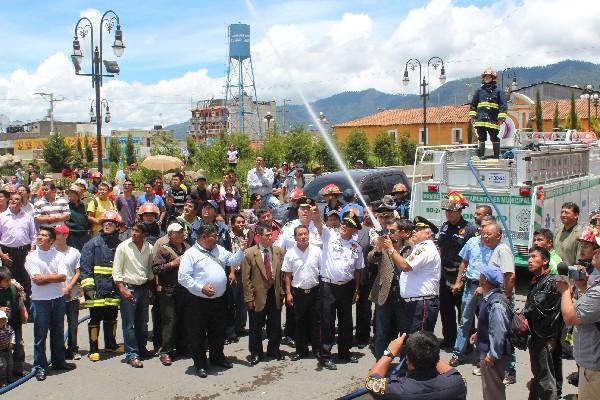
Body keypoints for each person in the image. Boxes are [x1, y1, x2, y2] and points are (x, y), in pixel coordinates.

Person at [178, 223, 245, 378]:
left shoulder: (219, 249)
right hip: (198, 301)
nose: (217, 239)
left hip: (218, 300)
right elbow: (183, 277)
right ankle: (200, 364)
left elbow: (233, 261)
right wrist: (200, 288)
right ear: (203, 237)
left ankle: (217, 357)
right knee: (198, 333)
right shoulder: (191, 254)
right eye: (214, 236)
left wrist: (241, 250)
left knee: (218, 331)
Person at [313, 209, 364, 370]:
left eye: (348, 225)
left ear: (354, 229)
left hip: (347, 287)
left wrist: (356, 289)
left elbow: (357, 270)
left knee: (346, 322)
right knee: (327, 322)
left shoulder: (357, 247)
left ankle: (344, 352)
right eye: (343, 222)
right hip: (328, 286)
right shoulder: (330, 236)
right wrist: (315, 213)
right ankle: (325, 355)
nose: (343, 225)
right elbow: (319, 224)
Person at [25, 226, 75, 381]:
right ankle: (40, 366)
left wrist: (46, 278)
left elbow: (62, 277)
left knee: (58, 332)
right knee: (40, 336)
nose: (39, 237)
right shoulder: (32, 257)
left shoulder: (58, 255)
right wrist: (53, 277)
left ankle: (58, 361)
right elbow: (37, 281)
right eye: (39, 235)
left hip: (58, 298)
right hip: (40, 302)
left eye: (44, 235)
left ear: (52, 240)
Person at [556, 236, 600, 400]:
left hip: (595, 369)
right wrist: (582, 287)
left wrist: (565, 290)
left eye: (598, 249)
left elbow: (570, 318)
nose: (595, 251)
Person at [449, 216, 496, 367]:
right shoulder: (471, 242)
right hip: (470, 285)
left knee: (485, 322)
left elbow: (496, 269)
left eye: (488, 228)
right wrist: (458, 281)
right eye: (483, 227)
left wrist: (483, 286)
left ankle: (482, 355)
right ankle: (458, 354)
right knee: (465, 321)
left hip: (487, 288)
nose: (484, 231)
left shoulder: (496, 246)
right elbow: (464, 262)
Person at [364, 332, 467, 399]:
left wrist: (390, 353)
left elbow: (370, 381)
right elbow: (451, 371)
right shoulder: (457, 383)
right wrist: (427, 348)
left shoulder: (396, 390)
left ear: (408, 360)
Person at [79, 211, 122, 362]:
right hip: (96, 288)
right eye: (105, 223)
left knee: (112, 317)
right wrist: (89, 287)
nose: (107, 226)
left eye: (111, 223)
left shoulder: (119, 244)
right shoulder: (92, 244)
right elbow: (85, 268)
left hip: (112, 289)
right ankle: (94, 349)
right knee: (95, 319)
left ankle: (111, 344)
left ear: (117, 226)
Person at [368, 218, 414, 359]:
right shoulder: (383, 245)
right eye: (388, 231)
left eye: (393, 231)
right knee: (382, 330)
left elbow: (407, 266)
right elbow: (371, 259)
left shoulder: (411, 248)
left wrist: (392, 250)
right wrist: (378, 248)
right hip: (385, 291)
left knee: (404, 331)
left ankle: (404, 363)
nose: (390, 234)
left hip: (404, 293)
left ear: (402, 233)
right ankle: (380, 361)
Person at [437, 192, 477, 348]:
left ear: (459, 210)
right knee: (446, 310)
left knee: (464, 313)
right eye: (446, 211)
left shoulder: (469, 230)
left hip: (461, 276)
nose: (447, 213)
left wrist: (461, 280)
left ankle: (465, 344)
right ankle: (449, 339)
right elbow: (440, 247)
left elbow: (472, 257)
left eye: (451, 211)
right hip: (444, 274)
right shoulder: (445, 226)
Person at [241, 224, 284, 365]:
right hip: (257, 296)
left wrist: (282, 293)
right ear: (258, 237)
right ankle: (255, 352)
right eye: (267, 235)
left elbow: (281, 275)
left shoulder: (278, 251)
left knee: (275, 325)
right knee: (255, 327)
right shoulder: (249, 253)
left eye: (271, 234)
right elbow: (245, 279)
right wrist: (249, 298)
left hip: (274, 294)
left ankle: (274, 349)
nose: (270, 237)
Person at [113, 222, 154, 368]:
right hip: (128, 288)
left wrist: (151, 287)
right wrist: (122, 289)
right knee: (129, 324)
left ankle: (141, 348)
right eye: (133, 230)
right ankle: (132, 354)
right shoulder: (123, 247)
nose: (133, 233)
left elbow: (149, 269)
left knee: (142, 323)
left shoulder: (149, 247)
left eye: (137, 231)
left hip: (143, 288)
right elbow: (116, 270)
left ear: (144, 234)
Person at [524, 246, 563, 400]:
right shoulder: (537, 280)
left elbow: (544, 311)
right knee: (539, 374)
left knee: (546, 380)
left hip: (543, 336)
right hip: (535, 335)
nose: (530, 260)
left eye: (534, 257)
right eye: (529, 257)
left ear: (545, 261)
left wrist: (551, 339)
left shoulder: (551, 282)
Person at [392, 216, 441, 335]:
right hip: (415, 302)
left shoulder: (425, 247)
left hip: (422, 302)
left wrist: (390, 248)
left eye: (419, 229)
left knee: (419, 342)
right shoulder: (418, 247)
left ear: (428, 234)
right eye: (414, 228)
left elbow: (405, 266)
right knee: (411, 340)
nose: (414, 231)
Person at [282, 225, 322, 361]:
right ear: (295, 238)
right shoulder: (290, 253)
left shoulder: (317, 251)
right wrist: (288, 293)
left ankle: (317, 349)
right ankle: (301, 350)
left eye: (305, 234)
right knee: (299, 322)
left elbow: (322, 271)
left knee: (316, 322)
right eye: (300, 234)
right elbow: (287, 275)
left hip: (315, 291)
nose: (303, 236)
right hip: (298, 293)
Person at [471, 265, 511, 400]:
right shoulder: (490, 297)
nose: (479, 277)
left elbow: (498, 331)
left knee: (493, 392)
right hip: (488, 350)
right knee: (490, 390)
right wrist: (478, 334)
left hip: (492, 355)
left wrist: (492, 355)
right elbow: (489, 324)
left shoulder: (496, 303)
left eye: (481, 275)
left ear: (485, 280)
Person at [152, 222, 190, 365]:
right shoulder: (163, 249)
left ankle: (182, 347)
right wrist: (171, 264)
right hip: (169, 289)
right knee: (169, 321)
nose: (180, 235)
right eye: (176, 233)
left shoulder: (188, 248)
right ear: (170, 235)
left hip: (185, 289)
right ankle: (165, 351)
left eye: (181, 232)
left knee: (183, 319)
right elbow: (155, 269)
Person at [0, 193, 36, 310]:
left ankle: (26, 308)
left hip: (24, 252)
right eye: (12, 199)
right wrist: (1, 255)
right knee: (8, 280)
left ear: (22, 202)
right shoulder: (2, 217)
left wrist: (31, 251)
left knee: (26, 279)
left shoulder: (27, 217)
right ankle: (11, 308)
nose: (14, 201)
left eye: (17, 199)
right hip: (7, 253)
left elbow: (34, 236)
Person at [53, 225, 82, 361]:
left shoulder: (74, 252)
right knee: (57, 324)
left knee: (73, 324)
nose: (55, 236)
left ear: (65, 235)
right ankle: (59, 350)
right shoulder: (51, 252)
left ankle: (72, 348)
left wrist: (69, 287)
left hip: (72, 293)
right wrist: (61, 290)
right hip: (56, 294)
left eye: (58, 233)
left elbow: (78, 271)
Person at [469, 67, 508, 159]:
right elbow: (473, 104)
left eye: (489, 77)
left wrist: (501, 118)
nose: (486, 78)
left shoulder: (499, 92)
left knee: (494, 137)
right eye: (485, 77)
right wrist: (472, 116)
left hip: (493, 120)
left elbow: (503, 105)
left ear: (493, 78)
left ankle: (496, 157)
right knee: (481, 138)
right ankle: (481, 156)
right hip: (480, 120)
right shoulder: (479, 91)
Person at [0, 268, 27, 379]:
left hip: (15, 321)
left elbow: (21, 299)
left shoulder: (14, 287)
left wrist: (21, 292)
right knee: (3, 347)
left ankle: (18, 368)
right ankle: (4, 372)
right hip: (2, 324)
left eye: (10, 279)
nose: (9, 282)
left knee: (18, 345)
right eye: (6, 280)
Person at [228, 214, 249, 338]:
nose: (241, 224)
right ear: (233, 224)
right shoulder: (229, 237)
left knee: (243, 301)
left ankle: (240, 327)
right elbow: (230, 255)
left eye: (243, 222)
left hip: (245, 272)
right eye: (238, 222)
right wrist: (232, 272)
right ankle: (231, 331)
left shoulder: (246, 235)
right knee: (232, 302)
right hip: (234, 272)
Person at [554, 202, 582, 266]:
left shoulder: (580, 234)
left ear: (576, 215)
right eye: (562, 212)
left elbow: (580, 260)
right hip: (554, 273)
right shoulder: (557, 231)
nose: (563, 215)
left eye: (567, 213)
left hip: (570, 274)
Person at [65, 184, 90, 251]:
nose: (69, 195)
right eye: (69, 193)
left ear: (77, 195)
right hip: (71, 234)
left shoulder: (84, 205)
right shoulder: (66, 206)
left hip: (83, 234)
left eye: (71, 193)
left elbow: (87, 218)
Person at [0, 310, 14, 386]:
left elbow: (12, 334)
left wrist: (11, 343)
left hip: (7, 349)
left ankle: (10, 377)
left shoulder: (8, 327)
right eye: (0, 320)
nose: (2, 322)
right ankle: (2, 380)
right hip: (0, 352)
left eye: (3, 320)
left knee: (10, 364)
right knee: (2, 365)